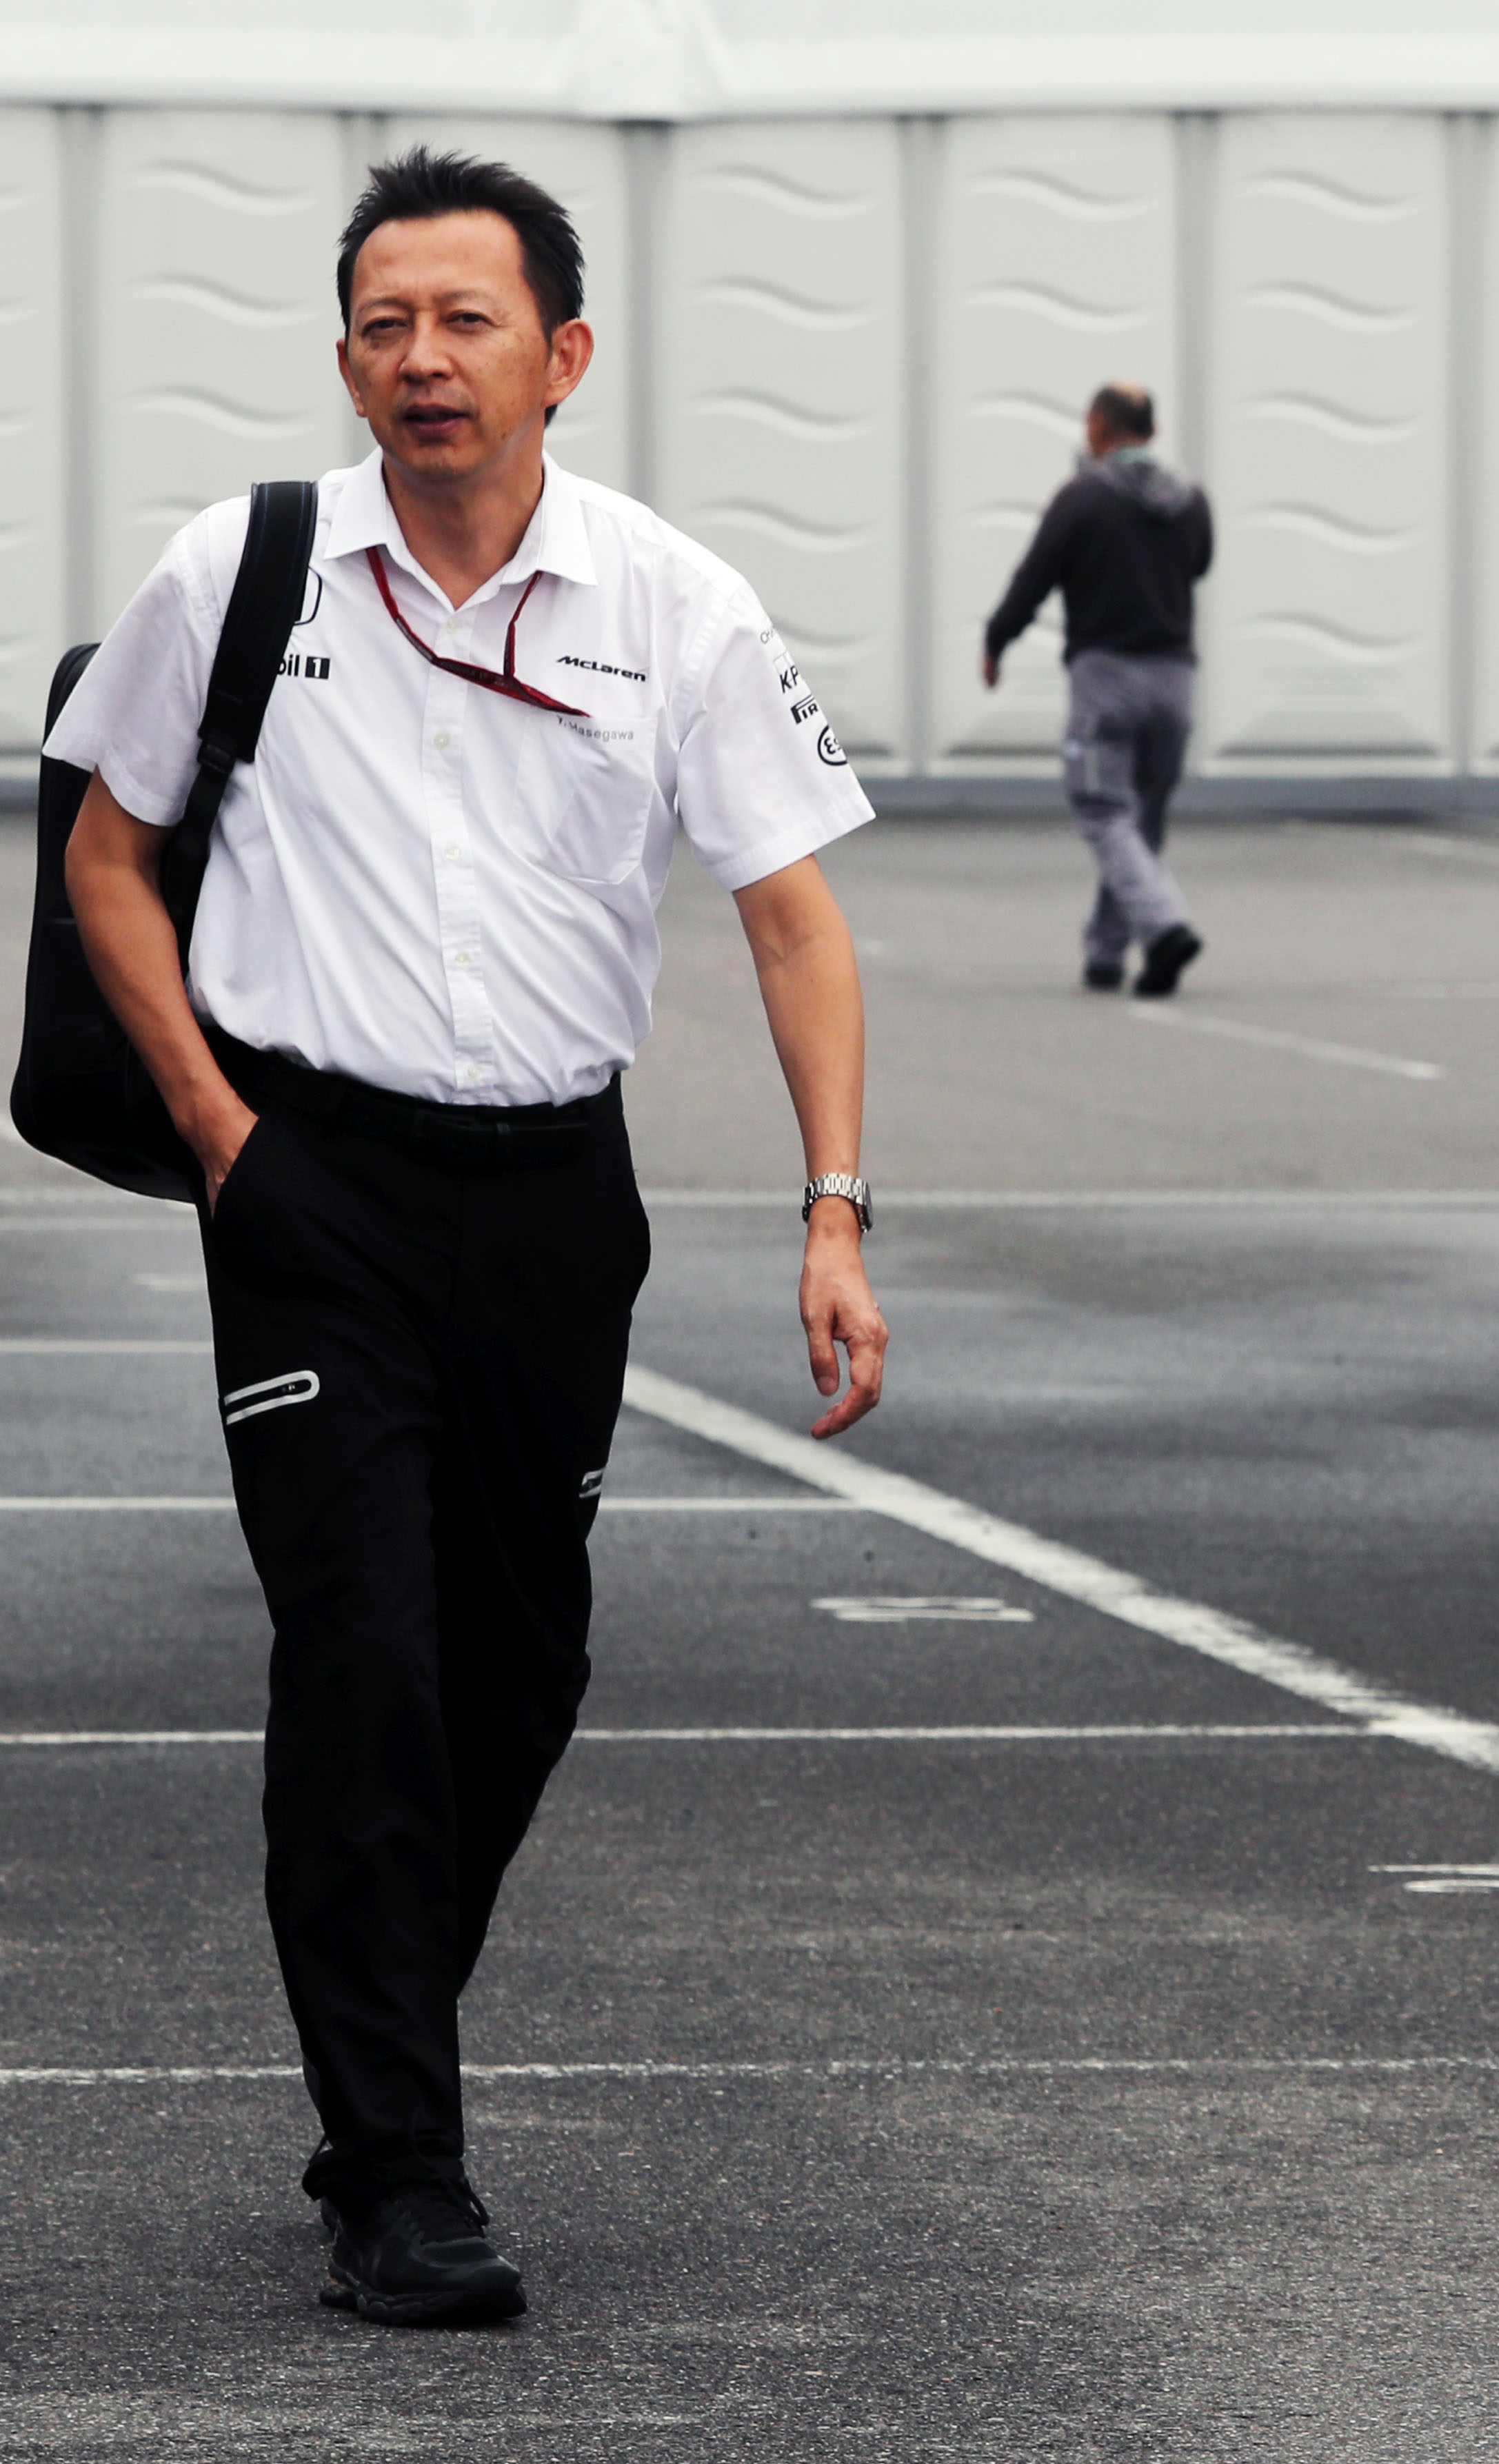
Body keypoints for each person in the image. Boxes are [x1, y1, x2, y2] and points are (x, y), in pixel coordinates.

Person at [50, 150, 887, 2327]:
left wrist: (834, 1207)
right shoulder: (239, 571)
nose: (425, 360)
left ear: (562, 355)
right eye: (386, 325)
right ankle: (400, 2170)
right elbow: (104, 852)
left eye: (469, 321)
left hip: (551, 1199)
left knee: (514, 1666)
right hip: (312, 1184)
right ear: (348, 357)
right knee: (364, 1652)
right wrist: (226, 1128)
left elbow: (795, 914)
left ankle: (374, 2040)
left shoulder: (675, 603)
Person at [984, 381, 1213, 996]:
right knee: (1141, 817)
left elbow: (1034, 578)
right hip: (1174, 679)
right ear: (1153, 431)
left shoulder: (1082, 498)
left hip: (1107, 677)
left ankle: (1165, 928)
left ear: (1099, 429)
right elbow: (1199, 564)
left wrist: (997, 640)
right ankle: (1107, 953)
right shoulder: (1191, 500)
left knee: (1104, 810)